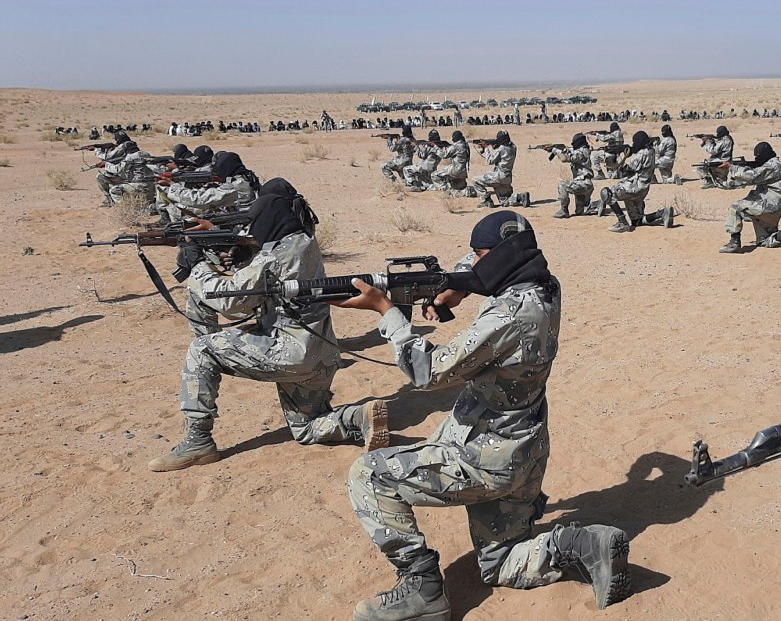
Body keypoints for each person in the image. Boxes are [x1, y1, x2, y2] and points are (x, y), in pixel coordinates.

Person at [337, 212, 632, 620]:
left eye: (479, 255)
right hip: (524, 453)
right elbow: (487, 266)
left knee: (369, 475)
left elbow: (427, 371)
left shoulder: (507, 315)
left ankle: (422, 589)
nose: (474, 262)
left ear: (500, 255)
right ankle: (584, 545)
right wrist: (455, 286)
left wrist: (385, 310)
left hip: (483, 458)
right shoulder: (545, 287)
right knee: (501, 563)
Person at [147, 179, 388, 471]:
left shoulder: (273, 257)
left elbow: (227, 300)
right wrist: (232, 247)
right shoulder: (305, 241)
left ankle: (198, 441)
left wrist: (197, 263)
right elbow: (265, 262)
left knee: (202, 350)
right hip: (321, 354)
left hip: (288, 352)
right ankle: (358, 417)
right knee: (306, 427)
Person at [717, 142, 781, 254]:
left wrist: (732, 167)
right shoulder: (772, 164)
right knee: (764, 240)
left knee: (735, 208)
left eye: (758, 157)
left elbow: (752, 176)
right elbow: (749, 179)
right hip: (775, 209)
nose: (756, 159)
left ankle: (734, 243)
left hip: (767, 207)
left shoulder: (772, 166)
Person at [600, 131, 675, 233]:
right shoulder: (651, 151)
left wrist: (618, 156)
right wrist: (628, 149)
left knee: (607, 193)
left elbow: (625, 170)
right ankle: (662, 213)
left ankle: (622, 222)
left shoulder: (642, 154)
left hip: (634, 187)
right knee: (637, 220)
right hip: (643, 189)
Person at [472, 131, 528, 208]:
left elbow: (490, 161)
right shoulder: (514, 147)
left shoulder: (501, 149)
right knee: (504, 201)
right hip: (507, 178)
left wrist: (486, 148)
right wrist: (495, 144)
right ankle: (520, 197)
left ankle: (487, 200)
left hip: (498, 177)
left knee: (475, 180)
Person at [551, 133, 594, 218]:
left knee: (562, 186)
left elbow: (564, 158)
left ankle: (564, 210)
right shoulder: (584, 150)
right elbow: (571, 152)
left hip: (583, 183)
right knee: (581, 211)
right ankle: (597, 205)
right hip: (584, 184)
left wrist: (556, 151)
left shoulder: (580, 152)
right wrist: (564, 149)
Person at [430, 130, 472, 195]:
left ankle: (446, 191)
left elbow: (444, 155)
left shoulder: (456, 146)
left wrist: (436, 147)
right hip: (463, 172)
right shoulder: (465, 145)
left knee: (434, 175)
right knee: (458, 189)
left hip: (455, 170)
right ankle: (466, 191)